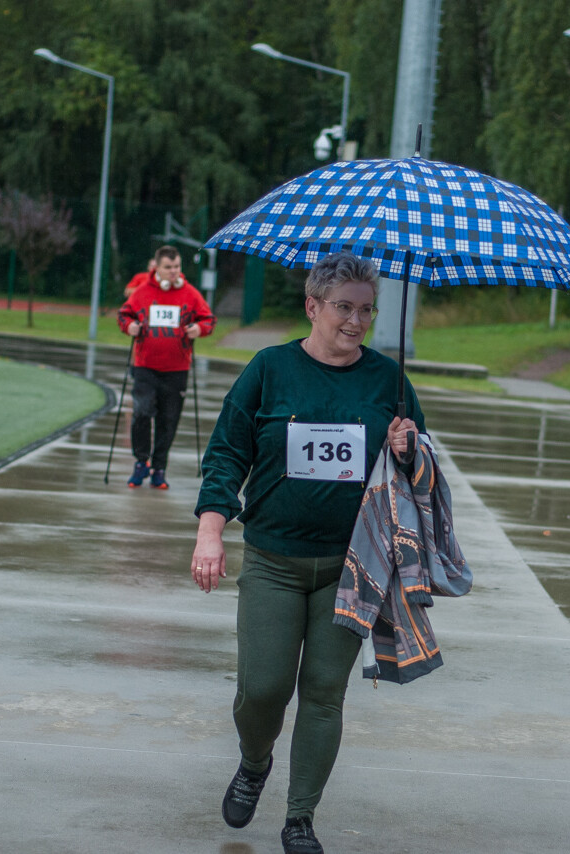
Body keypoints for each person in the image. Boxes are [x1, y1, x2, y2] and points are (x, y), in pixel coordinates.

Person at [191, 251, 424, 854]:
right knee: (263, 688)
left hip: (352, 567)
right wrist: (211, 531)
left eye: (366, 310)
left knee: (324, 692)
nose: (356, 321)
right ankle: (254, 759)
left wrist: (406, 448)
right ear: (312, 306)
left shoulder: (389, 381)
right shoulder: (269, 370)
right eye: (344, 307)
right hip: (273, 559)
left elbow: (420, 478)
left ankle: (300, 818)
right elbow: (225, 456)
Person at [116, 246, 216, 489]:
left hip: (177, 369)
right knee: (141, 412)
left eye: (177, 267)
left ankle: (159, 468)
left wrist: (198, 329)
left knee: (168, 419)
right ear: (157, 268)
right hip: (145, 366)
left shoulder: (191, 294)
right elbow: (123, 315)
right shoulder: (142, 292)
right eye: (168, 268)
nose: (174, 272)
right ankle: (141, 462)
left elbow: (208, 320)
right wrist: (129, 326)